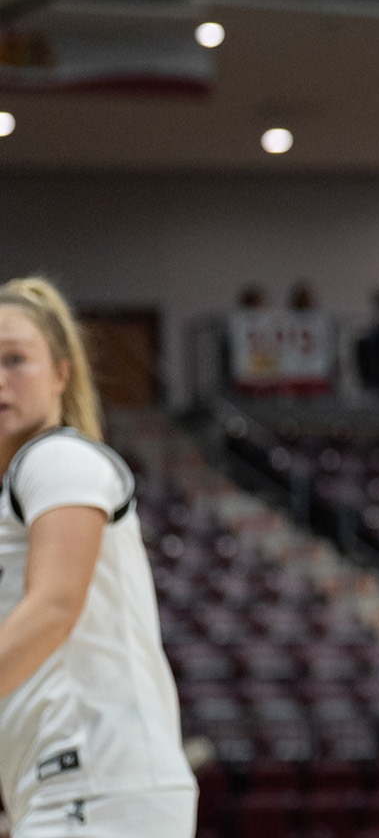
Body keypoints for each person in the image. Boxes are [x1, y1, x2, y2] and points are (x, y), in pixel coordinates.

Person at [0, 277, 196, 836]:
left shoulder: (58, 458)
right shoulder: (25, 480)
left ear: (62, 373)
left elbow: (55, 608)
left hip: (95, 782)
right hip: (72, 788)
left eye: (16, 360)